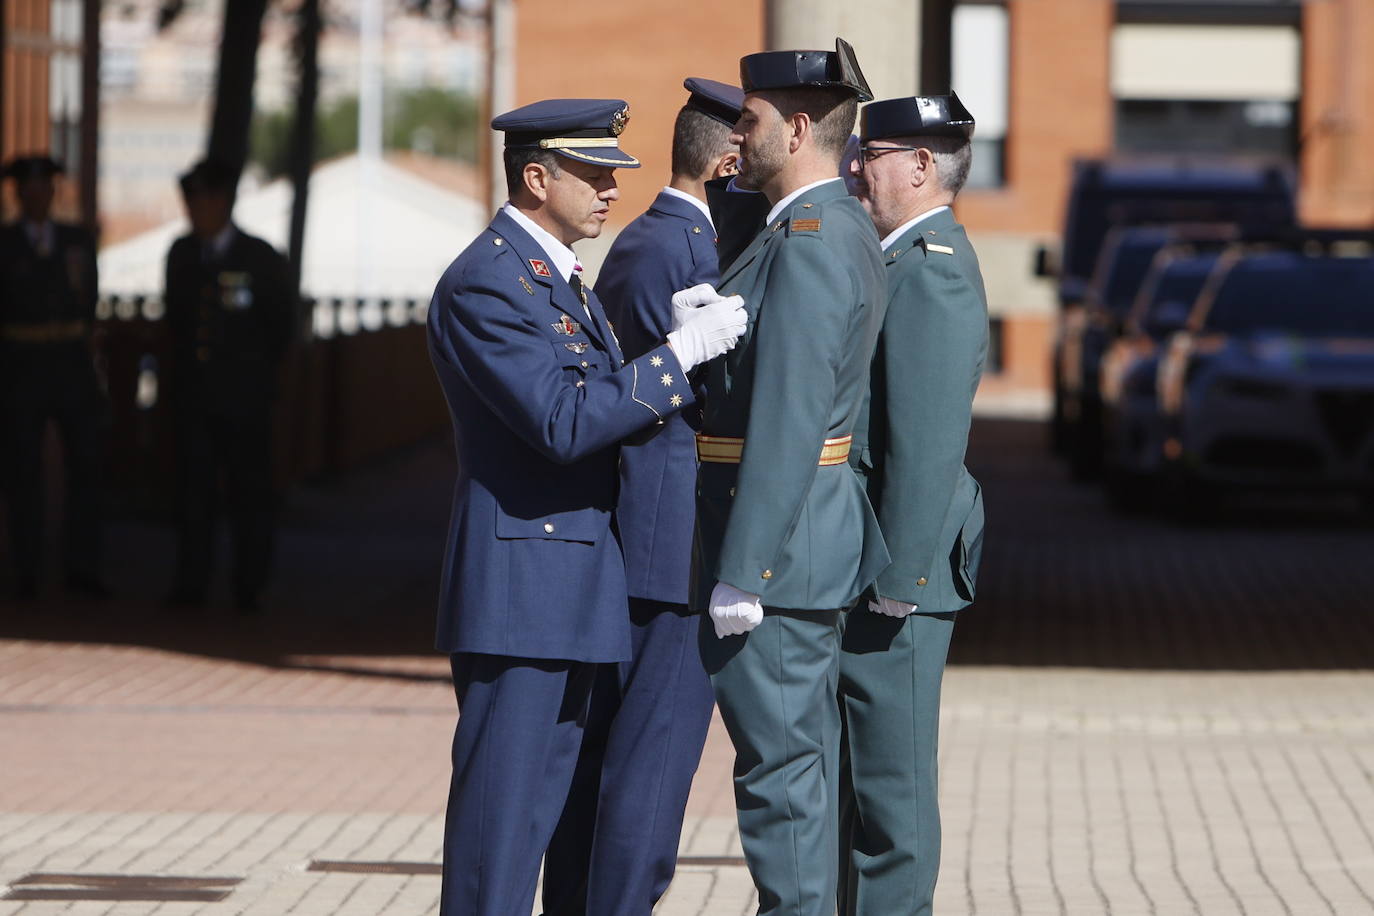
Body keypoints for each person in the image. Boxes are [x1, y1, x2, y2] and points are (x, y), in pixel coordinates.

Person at [425, 97, 747, 916]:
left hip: (571, 588)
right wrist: (675, 360)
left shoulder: (554, 277)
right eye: (593, 173)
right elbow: (562, 423)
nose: (611, 189)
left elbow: (591, 396)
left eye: (614, 174)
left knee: (549, 817)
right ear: (536, 177)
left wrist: (655, 357)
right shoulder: (487, 282)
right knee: (500, 840)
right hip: (521, 590)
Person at [692, 40, 890, 916]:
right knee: (797, 768)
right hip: (806, 533)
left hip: (781, 544)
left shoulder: (811, 238)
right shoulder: (813, 225)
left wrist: (746, 564)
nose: (737, 136)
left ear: (799, 126)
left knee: (782, 782)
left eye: (751, 120)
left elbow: (790, 413)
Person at [541, 77, 744, 916]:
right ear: (731, 162)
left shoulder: (649, 239)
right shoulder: (679, 248)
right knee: (650, 767)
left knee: (614, 757)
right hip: (672, 543)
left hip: (650, 533)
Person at [838, 93, 988, 916]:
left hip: (897, 574)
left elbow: (927, 446)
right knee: (859, 784)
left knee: (891, 799)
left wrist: (892, 578)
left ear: (921, 167)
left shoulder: (929, 269)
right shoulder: (896, 256)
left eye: (873, 152)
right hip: (872, 565)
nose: (856, 164)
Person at [163, 159, 294, 612]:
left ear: (223, 202)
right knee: (192, 495)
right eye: (191, 201)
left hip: (245, 399)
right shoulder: (181, 253)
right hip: (193, 400)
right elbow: (176, 328)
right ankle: (191, 583)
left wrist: (259, 381)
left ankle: (249, 586)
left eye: (204, 200)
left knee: (249, 495)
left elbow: (281, 327)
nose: (196, 210)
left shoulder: (258, 256)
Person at [0, 155, 107, 601]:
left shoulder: (76, 239)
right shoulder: (4, 244)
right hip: (21, 366)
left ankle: (81, 568)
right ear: (19, 194)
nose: (40, 195)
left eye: (47, 187)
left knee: (86, 467)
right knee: (22, 472)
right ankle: (27, 571)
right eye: (31, 188)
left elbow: (89, 300)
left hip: (71, 365)